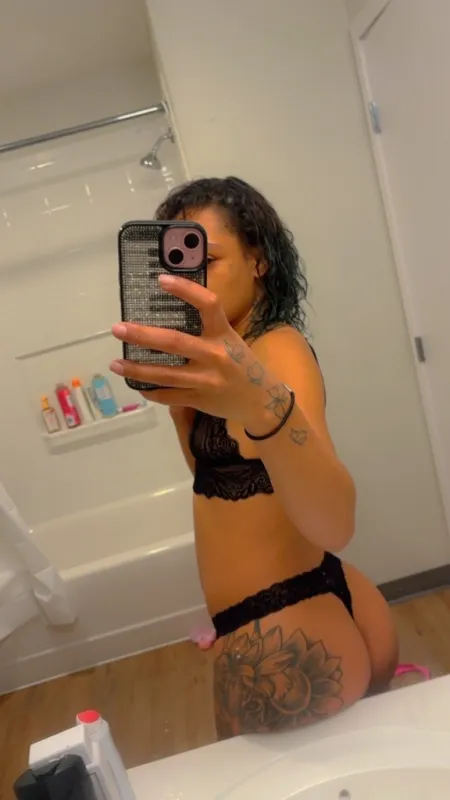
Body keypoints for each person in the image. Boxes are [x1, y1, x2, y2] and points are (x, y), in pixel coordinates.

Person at [110, 176, 398, 736]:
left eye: (210, 259)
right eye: (179, 266)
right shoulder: (226, 359)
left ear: (259, 260)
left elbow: (335, 523)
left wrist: (261, 405)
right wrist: (180, 407)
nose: (190, 281)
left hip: (281, 638)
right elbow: (217, 480)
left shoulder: (276, 349)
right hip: (309, 603)